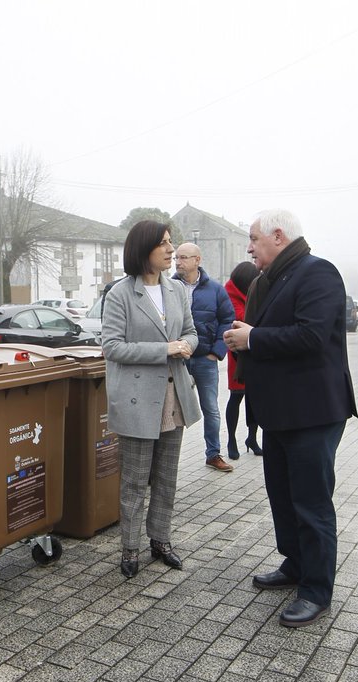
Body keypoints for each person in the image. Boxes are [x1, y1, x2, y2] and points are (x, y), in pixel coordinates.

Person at [223, 209, 357, 628]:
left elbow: (313, 336)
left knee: (311, 504)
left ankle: (316, 590)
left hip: (313, 413)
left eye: (253, 239)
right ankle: (295, 564)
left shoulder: (318, 273)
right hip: (280, 412)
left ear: (277, 236)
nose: (248, 247)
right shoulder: (274, 277)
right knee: (282, 497)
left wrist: (254, 337)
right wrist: (249, 335)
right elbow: (281, 330)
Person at [102, 220, 201, 578]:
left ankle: (160, 540)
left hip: (174, 396)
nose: (171, 249)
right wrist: (165, 348)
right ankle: (130, 548)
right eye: (163, 243)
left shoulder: (176, 290)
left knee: (166, 477)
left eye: (171, 242)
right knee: (134, 480)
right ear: (143, 250)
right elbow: (111, 347)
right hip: (137, 399)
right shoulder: (120, 294)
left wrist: (187, 345)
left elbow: (191, 333)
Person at [173, 242, 236, 472]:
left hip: (204, 359)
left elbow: (227, 319)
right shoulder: (168, 287)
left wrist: (216, 352)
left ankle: (213, 454)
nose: (179, 262)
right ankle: (164, 463)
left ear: (197, 260)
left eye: (184, 258)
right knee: (170, 409)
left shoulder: (216, 289)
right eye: (176, 258)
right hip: (175, 359)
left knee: (210, 408)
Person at [224, 261, 261, 460]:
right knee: (236, 396)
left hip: (253, 350)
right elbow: (239, 318)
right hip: (237, 353)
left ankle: (252, 438)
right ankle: (231, 439)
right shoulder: (229, 294)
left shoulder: (252, 292)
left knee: (253, 398)